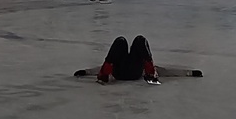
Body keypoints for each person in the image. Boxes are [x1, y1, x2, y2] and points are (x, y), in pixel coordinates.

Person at [71, 36, 203, 85]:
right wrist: (190, 73)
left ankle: (104, 75)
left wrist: (86, 72)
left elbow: (100, 66)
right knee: (139, 40)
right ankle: (151, 73)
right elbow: (167, 71)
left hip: (120, 73)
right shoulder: (140, 62)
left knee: (120, 41)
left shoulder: (118, 60)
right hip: (135, 73)